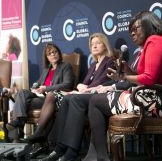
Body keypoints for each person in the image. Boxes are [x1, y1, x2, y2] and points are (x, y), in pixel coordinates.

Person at [83, 11, 162, 161]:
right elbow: (149, 75)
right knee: (98, 101)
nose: (133, 34)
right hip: (155, 96)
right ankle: (98, 156)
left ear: (148, 25)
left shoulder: (154, 41)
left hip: (159, 100)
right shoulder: (155, 42)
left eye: (136, 29)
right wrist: (130, 71)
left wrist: (123, 76)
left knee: (95, 102)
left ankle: (101, 157)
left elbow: (148, 78)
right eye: (131, 31)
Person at [38, 33, 115, 161]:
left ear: (105, 45)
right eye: (92, 44)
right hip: (87, 95)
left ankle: (71, 152)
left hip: (99, 96)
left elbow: (102, 82)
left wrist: (84, 89)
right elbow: (83, 83)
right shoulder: (93, 65)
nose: (94, 45)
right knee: (67, 98)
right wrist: (80, 86)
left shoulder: (110, 62)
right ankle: (59, 148)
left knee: (74, 99)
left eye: (98, 43)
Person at [6, 43, 74, 142]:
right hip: (40, 96)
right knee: (22, 93)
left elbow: (67, 84)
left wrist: (46, 88)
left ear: (59, 53)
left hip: (50, 99)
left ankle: (15, 134)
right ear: (47, 57)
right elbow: (38, 83)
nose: (53, 55)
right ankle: (17, 124)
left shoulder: (65, 66)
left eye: (55, 52)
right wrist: (35, 87)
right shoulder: (47, 69)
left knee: (22, 103)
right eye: (50, 53)